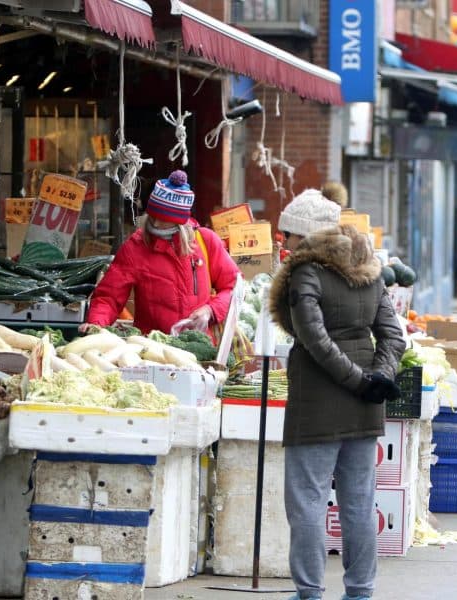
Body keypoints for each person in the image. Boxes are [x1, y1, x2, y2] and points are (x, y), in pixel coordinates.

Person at [268, 189, 406, 600]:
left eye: (289, 235)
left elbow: (314, 338)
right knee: (359, 502)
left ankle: (310, 591)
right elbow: (393, 335)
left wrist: (359, 380)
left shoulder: (305, 272)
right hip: (364, 406)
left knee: (308, 501)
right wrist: (377, 377)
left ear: (306, 236)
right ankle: (360, 591)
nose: (284, 243)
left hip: (316, 402)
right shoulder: (369, 268)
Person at [83, 170, 240, 334]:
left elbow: (235, 288)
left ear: (179, 222)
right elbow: (108, 297)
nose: (156, 223)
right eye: (152, 216)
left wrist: (211, 310)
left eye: (164, 219)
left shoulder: (206, 241)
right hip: (154, 350)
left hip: (202, 351)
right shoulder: (135, 248)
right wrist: (96, 324)